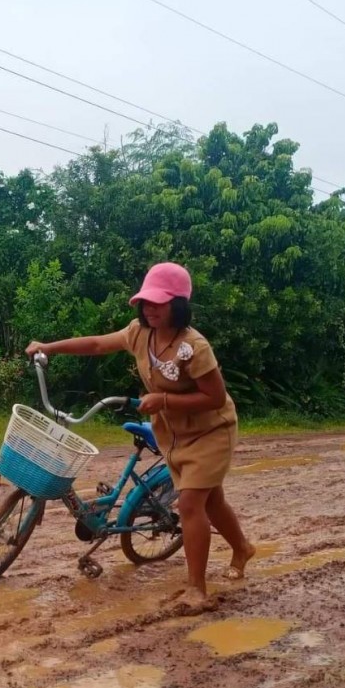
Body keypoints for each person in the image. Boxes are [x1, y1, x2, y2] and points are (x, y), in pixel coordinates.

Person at [25, 262, 254, 613]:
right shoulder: (139, 333)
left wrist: (163, 400)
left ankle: (196, 589)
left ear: (178, 304)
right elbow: (99, 344)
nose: (149, 309)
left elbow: (216, 398)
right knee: (211, 500)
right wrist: (49, 347)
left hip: (211, 432)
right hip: (174, 432)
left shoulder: (194, 347)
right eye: (145, 302)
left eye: (158, 303)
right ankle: (241, 547)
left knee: (191, 503)